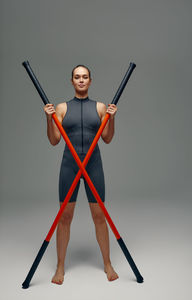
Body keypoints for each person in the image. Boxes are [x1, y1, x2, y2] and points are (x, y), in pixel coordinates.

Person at [43, 65, 118, 285]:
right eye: (77, 77)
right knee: (64, 217)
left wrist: (112, 119)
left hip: (93, 165)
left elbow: (107, 138)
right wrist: (49, 119)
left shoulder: (101, 107)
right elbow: (54, 140)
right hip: (70, 165)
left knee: (99, 216)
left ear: (90, 81)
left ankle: (107, 264)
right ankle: (59, 267)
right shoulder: (62, 108)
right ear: (72, 81)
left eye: (85, 77)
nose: (81, 80)